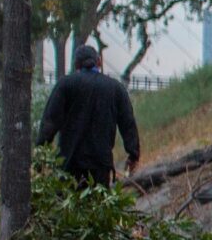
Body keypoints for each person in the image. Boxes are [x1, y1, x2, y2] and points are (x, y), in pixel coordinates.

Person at [36, 44, 141, 185]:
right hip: (100, 165)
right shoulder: (115, 88)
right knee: (97, 198)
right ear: (99, 62)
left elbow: (50, 122)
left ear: (76, 64)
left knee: (68, 197)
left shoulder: (65, 85)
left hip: (69, 164)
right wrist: (133, 154)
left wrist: (40, 156)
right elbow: (128, 123)